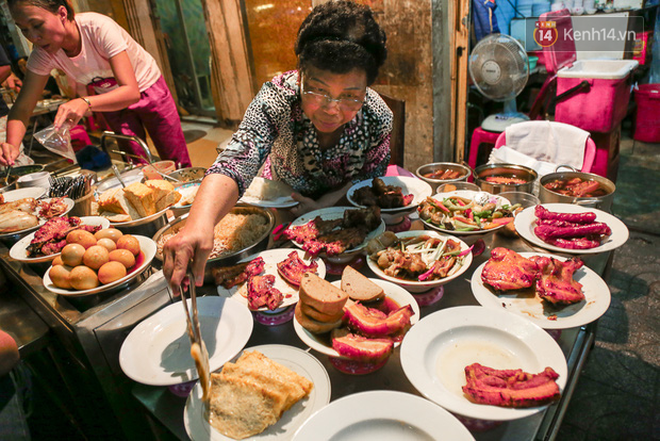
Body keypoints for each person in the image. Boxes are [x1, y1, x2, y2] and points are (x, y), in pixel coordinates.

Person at [163, 0, 391, 292]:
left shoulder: (377, 115)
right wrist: (199, 224)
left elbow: (370, 179)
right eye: (318, 90)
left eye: (350, 96)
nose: (331, 109)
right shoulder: (278, 99)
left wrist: (329, 202)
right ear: (300, 74)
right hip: (281, 203)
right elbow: (237, 157)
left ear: (367, 89)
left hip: (343, 212)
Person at [0, 0, 192, 168]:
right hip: (110, 99)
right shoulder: (42, 53)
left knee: (175, 160)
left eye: (37, 25)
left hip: (148, 88)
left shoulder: (97, 28)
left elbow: (131, 91)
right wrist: (12, 144)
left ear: (61, 13)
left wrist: (84, 102)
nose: (32, 37)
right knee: (135, 163)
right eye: (23, 29)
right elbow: (22, 107)